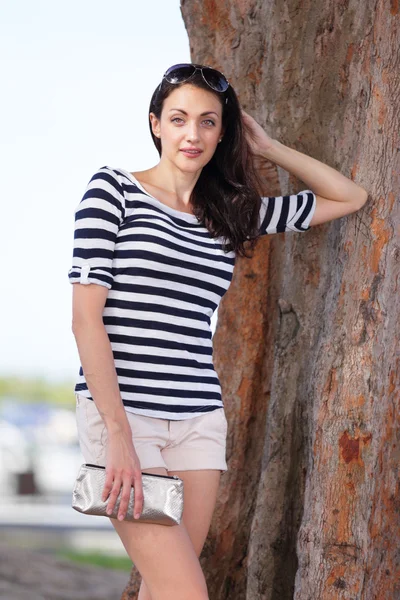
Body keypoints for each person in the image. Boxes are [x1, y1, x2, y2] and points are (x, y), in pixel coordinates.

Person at [68, 63, 368, 600]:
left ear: (223, 132)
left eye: (208, 122)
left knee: (167, 591)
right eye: (179, 118)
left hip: (198, 420)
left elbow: (349, 197)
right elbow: (86, 318)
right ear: (156, 123)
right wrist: (117, 435)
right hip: (123, 416)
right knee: (188, 593)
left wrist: (269, 148)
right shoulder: (112, 190)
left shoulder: (231, 214)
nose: (193, 134)